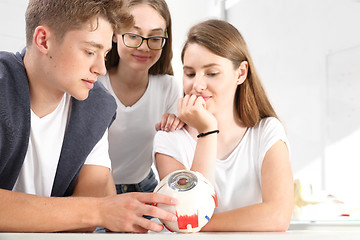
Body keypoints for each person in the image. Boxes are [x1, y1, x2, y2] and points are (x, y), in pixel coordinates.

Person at [0, 0, 177, 233]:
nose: (101, 69)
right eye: (90, 51)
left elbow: (81, 226)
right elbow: (90, 212)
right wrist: (98, 210)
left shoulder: (99, 107)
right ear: (43, 40)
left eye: (104, 54)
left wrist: (92, 211)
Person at [153, 19, 294, 232]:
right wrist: (207, 132)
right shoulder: (169, 138)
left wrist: (200, 224)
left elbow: (278, 216)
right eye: (190, 74)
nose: (197, 85)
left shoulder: (267, 132)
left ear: (241, 73)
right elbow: (187, 213)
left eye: (212, 73)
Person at [99, 0, 182, 196]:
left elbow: (174, 155)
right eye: (134, 35)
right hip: (98, 191)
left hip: (146, 188)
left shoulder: (168, 87)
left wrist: (179, 124)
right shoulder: (94, 84)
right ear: (115, 34)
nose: (144, 47)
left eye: (155, 37)